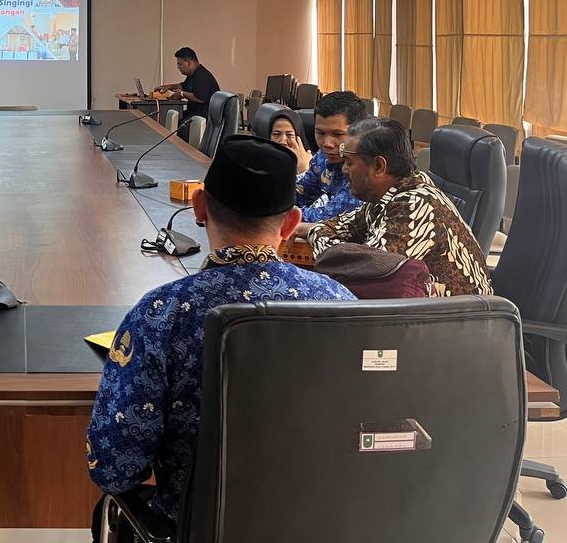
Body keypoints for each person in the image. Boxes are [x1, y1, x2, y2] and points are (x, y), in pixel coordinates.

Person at [86, 136, 354, 539]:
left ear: (199, 207)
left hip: (199, 527)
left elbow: (113, 466)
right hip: (323, 525)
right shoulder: (341, 304)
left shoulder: (161, 314)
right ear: (290, 223)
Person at [298, 118, 493, 297]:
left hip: (458, 319)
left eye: (349, 162)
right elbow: (338, 226)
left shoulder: (414, 206)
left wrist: (316, 233)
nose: (344, 170)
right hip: (423, 313)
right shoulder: (389, 194)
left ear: (379, 166)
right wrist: (311, 230)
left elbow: (357, 273)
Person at [294, 91, 366, 223]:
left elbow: (328, 218)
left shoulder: (364, 170)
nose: (327, 144)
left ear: (360, 133)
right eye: (320, 133)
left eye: (337, 134)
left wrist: (278, 213)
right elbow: (300, 193)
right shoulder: (323, 157)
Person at [154, 47, 219, 124]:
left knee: (174, 122)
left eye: (179, 64)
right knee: (171, 118)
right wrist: (168, 87)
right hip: (193, 113)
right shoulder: (193, 74)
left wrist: (181, 93)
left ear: (188, 63)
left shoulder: (202, 76)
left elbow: (200, 98)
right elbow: (184, 86)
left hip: (202, 117)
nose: (178, 67)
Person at [267, 109, 312, 175]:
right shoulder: (261, 161)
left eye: (289, 135)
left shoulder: (314, 164)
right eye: (276, 134)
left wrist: (303, 170)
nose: (282, 142)